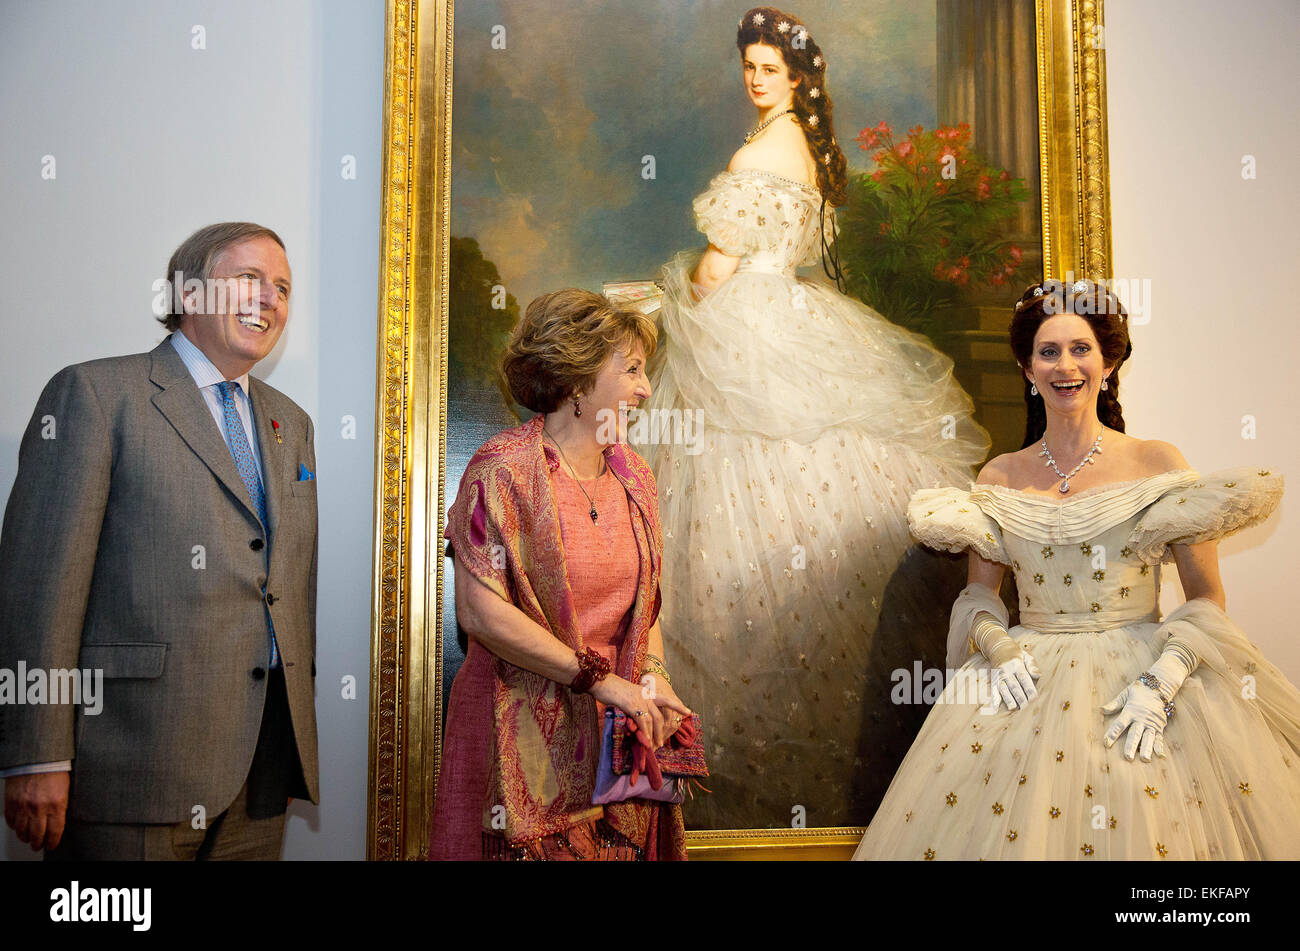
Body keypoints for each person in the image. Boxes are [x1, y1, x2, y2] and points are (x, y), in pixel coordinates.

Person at [636, 6, 990, 828]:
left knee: (729, 517)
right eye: (750, 68)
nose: (756, 80)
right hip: (793, 314)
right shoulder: (810, 152)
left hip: (749, 327)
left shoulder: (760, 149)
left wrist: (676, 299)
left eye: (769, 68)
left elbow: (718, 270)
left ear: (797, 77)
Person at [853, 279, 1300, 860]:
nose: (1066, 366)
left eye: (1081, 349)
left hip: (1141, 682)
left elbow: (1205, 599)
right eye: (1049, 351)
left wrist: (1163, 682)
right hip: (1024, 683)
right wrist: (996, 644)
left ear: (1108, 362)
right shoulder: (1002, 476)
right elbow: (979, 598)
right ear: (1026, 367)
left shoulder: (1155, 461)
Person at [0, 222, 319, 860]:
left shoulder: (292, 423)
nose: (270, 299)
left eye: (282, 287)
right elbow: (40, 587)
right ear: (188, 293)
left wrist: (289, 742)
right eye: (248, 279)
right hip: (130, 766)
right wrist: (35, 753)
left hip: (260, 773)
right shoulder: (95, 395)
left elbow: (289, 588)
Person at [431, 288, 694, 861]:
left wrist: (652, 679)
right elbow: (480, 614)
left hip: (617, 738)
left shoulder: (635, 475)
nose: (646, 389)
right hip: (518, 730)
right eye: (631, 371)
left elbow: (646, 606)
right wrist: (603, 681)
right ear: (577, 381)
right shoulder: (502, 470)